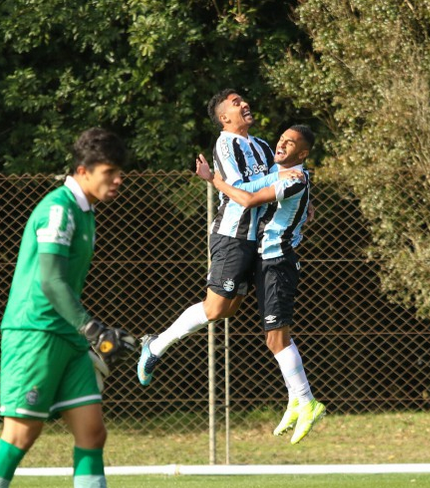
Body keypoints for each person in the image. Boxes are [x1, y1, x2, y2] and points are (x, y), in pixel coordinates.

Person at [0, 128, 154, 488]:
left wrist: (85, 331)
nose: (118, 180)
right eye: (110, 172)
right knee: (20, 436)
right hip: (35, 334)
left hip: (64, 337)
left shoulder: (85, 212)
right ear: (82, 171)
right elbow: (50, 281)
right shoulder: (58, 211)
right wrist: (93, 328)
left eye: (120, 172)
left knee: (92, 433)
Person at [136, 89, 288, 385]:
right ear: (223, 117)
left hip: (255, 239)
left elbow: (279, 180)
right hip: (231, 235)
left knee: (226, 310)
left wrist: (301, 202)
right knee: (215, 307)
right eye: (236, 103)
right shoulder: (226, 145)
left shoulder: (260, 145)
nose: (245, 104)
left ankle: (155, 344)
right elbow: (245, 192)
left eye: (244, 100)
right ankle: (154, 346)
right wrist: (279, 178)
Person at [195, 125, 325, 444]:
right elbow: (256, 186)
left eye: (290, 143)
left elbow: (249, 199)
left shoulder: (294, 179)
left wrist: (212, 178)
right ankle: (297, 400)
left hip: (278, 261)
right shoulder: (280, 173)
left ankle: (308, 402)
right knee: (273, 340)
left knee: (278, 338)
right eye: (281, 139)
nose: (281, 144)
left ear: (303, 154)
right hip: (267, 261)